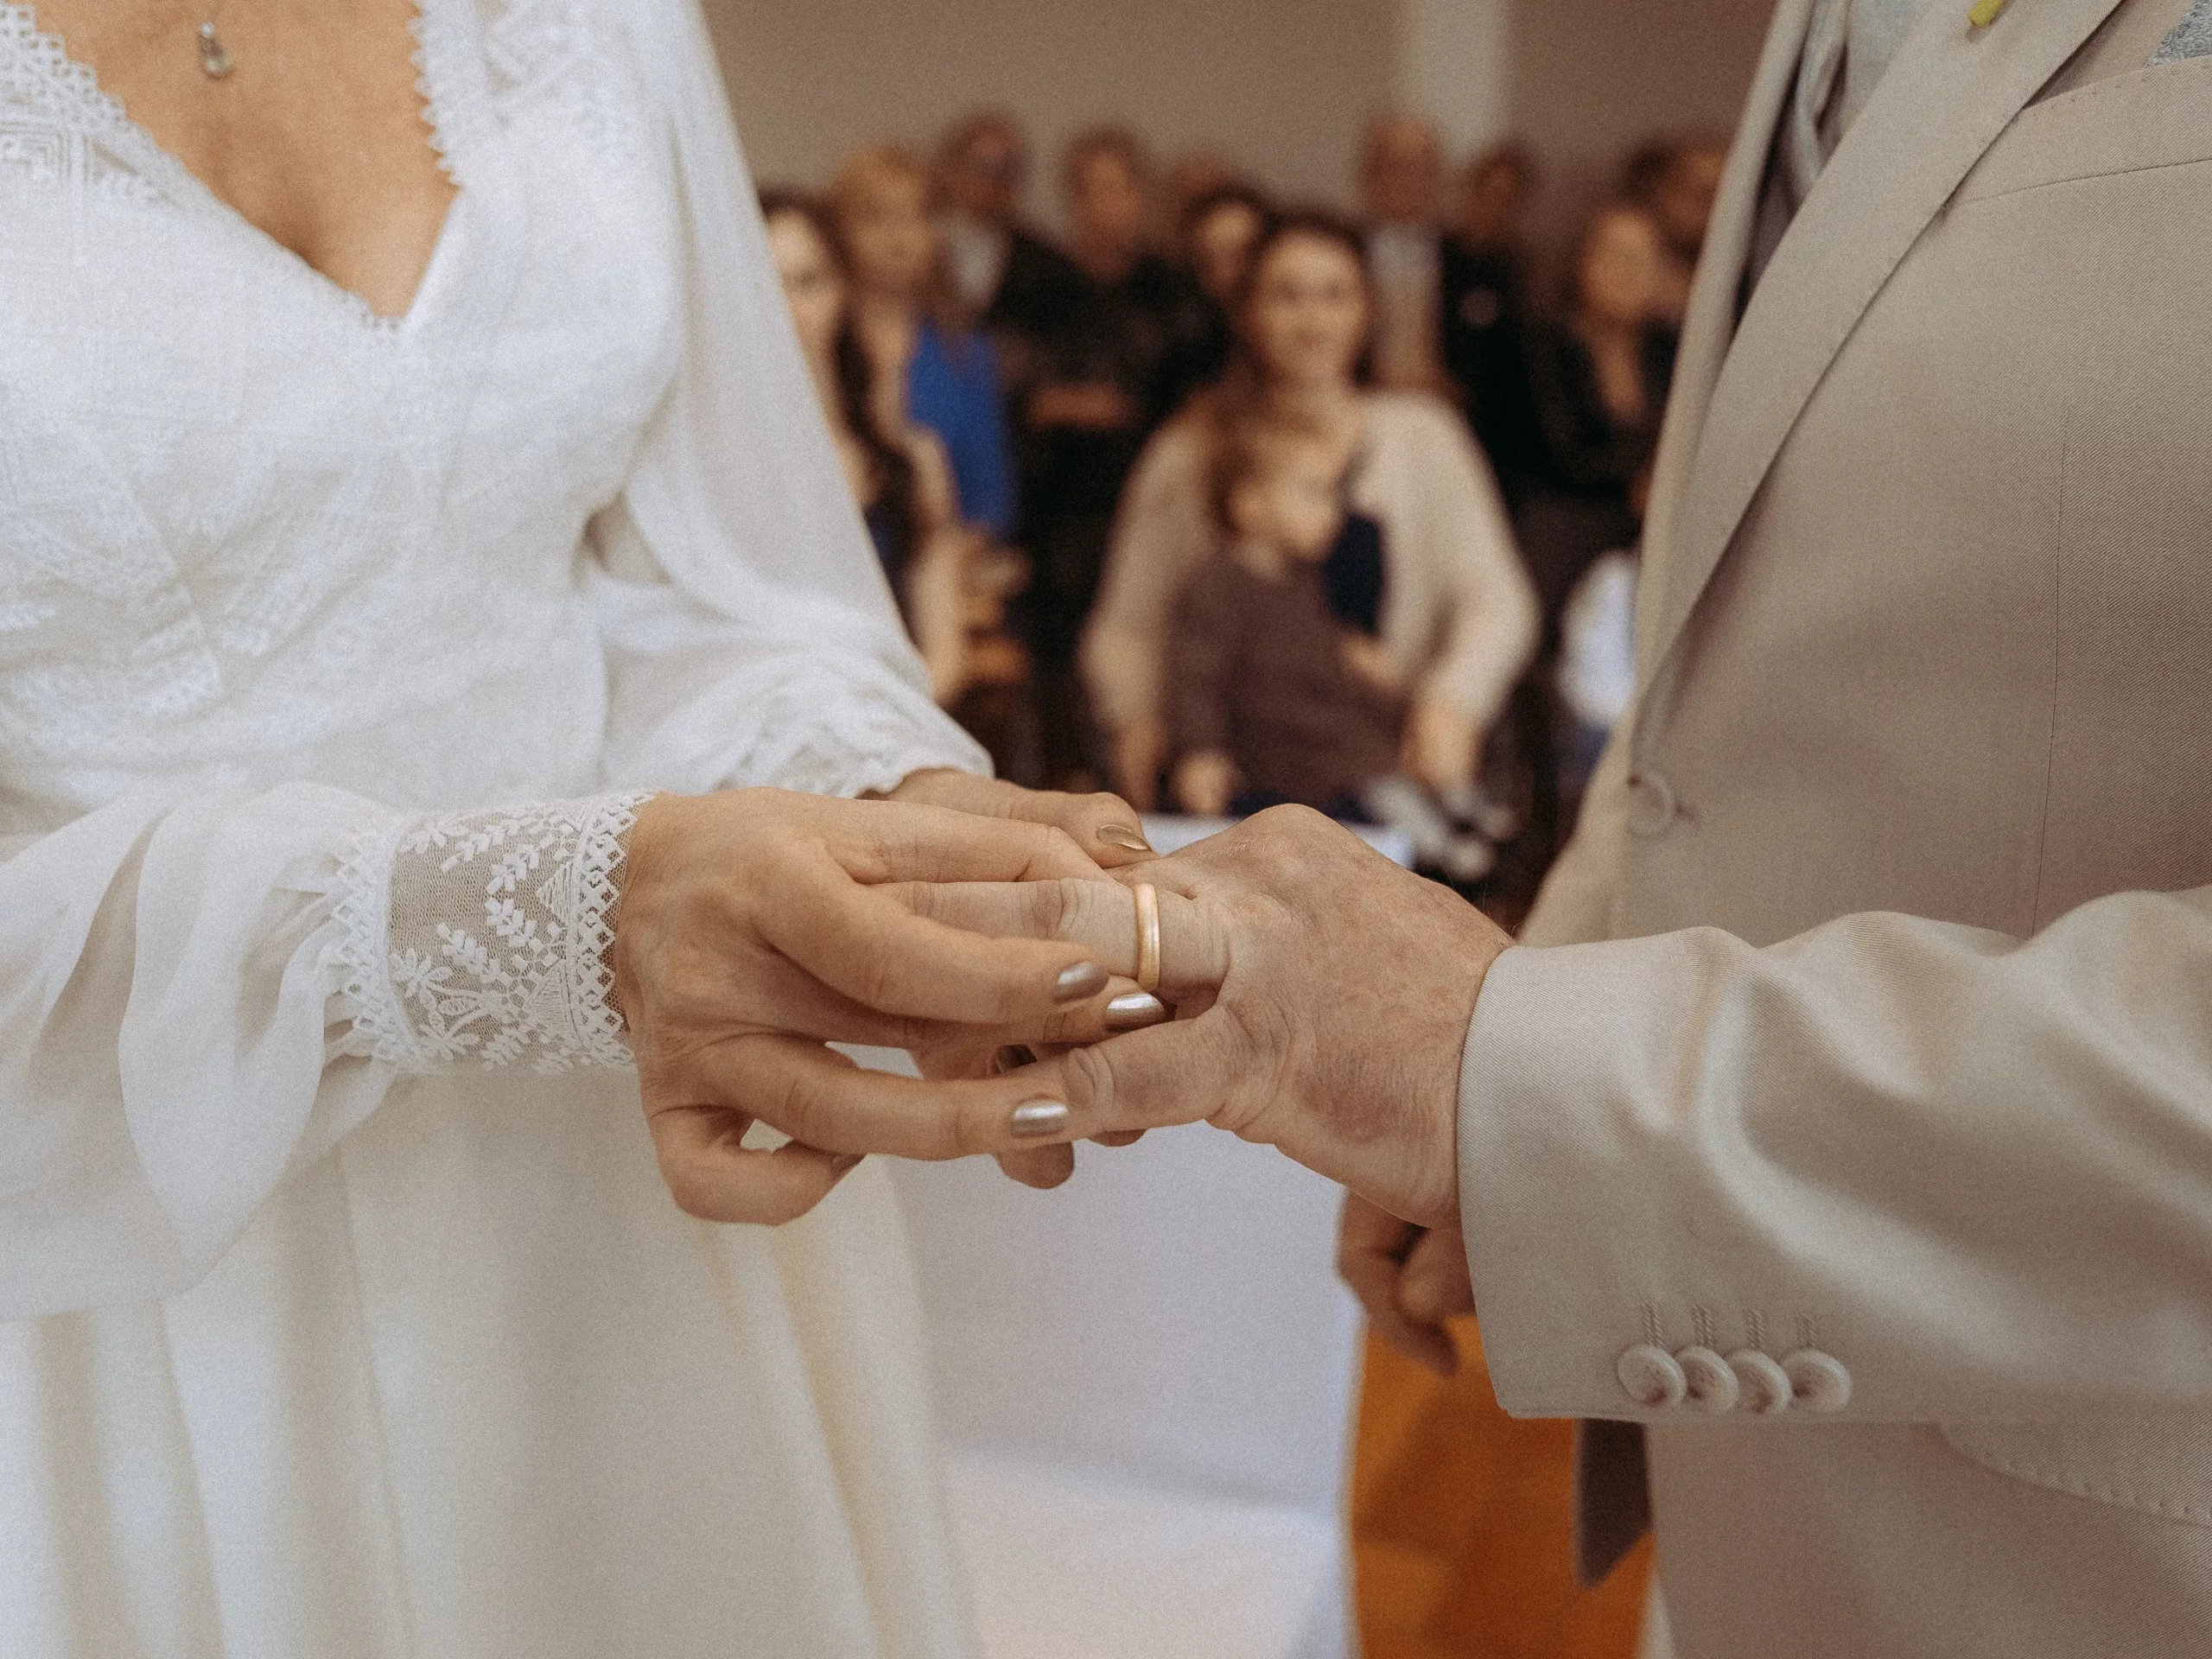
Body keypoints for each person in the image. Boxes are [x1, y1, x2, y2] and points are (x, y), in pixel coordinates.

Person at [813, 1, 2212, 1655]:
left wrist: (1527, 1066)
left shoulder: (1417, 440)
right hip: (1755, 1448)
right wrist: (1505, 1028)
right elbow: (1753, 680)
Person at [0, 0, 1162, 1652]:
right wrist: (536, 920)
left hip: (646, 1160)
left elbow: (696, 577)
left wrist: (881, 806)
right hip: (129, 1228)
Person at [1084, 211, 1537, 814]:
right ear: (1247, 312)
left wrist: (1453, 703)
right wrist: (1136, 721)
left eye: (1335, 295)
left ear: (1367, 311)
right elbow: (1127, 623)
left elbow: (1497, 601)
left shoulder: (1425, 436)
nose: (1313, 321)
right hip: (1239, 774)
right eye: (1288, 296)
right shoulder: (1191, 448)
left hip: (1382, 759)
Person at [1167, 410, 1498, 880]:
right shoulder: (1215, 589)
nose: (1333, 511)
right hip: (1285, 761)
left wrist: (1391, 696)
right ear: (1250, 505)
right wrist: (1200, 752)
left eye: (1334, 493)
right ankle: (1434, 843)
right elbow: (1195, 680)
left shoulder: (1312, 586)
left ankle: (1456, 817)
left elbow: (1338, 674)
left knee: (1400, 775)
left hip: (1339, 741)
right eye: (1313, 494)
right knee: (1379, 799)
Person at [1017, 126, 1212, 789]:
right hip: (1061, 511)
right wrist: (1064, 407)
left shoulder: (1174, 293)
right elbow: (1011, 391)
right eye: (1092, 189)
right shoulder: (1039, 288)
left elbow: (1201, 399)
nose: (1108, 204)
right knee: (1060, 659)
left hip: (1152, 499)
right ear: (1071, 197)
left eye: (1120, 187)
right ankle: (1068, 777)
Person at [763, 189, 969, 703]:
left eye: (808, 282)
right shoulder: (712, 477)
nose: (787, 310)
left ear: (843, 293)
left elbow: (946, 653)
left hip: (900, 723)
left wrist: (886, 728)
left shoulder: (914, 460)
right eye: (763, 286)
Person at [830, 144, 1020, 543]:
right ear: (838, 230)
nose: (898, 237)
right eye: (876, 217)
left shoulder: (966, 352)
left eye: (916, 216)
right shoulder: (819, 343)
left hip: (940, 564)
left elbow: (989, 499)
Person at [931, 109, 1084, 376]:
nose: (995, 181)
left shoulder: (1045, 262)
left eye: (1008, 169)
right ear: (951, 169)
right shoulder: (920, 246)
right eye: (983, 167)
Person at [1440, 140, 1545, 508]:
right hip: (1445, 403)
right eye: (1491, 193)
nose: (1497, 207)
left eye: (1511, 198)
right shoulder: (1440, 255)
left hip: (1499, 419)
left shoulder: (1519, 268)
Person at [1358, 113, 1451, 395]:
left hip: (1444, 411)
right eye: (1397, 167)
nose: (1411, 180)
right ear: (1368, 174)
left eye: (1423, 168)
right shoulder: (1343, 253)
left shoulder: (1468, 259)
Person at [1169, 181, 1276, 396]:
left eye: (1240, 253)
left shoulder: (1315, 331)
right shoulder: (1195, 351)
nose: (1227, 274)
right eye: (1210, 261)